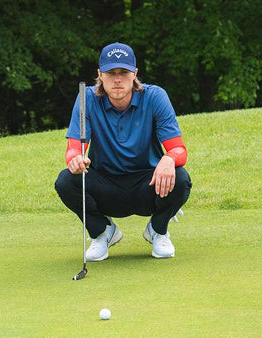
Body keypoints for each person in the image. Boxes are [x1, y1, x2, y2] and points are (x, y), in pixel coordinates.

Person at [54, 42, 192, 260]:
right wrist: (75, 159)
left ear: (135, 74)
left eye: (124, 72)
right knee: (66, 180)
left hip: (148, 185)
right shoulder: (87, 98)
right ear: (100, 74)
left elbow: (179, 150)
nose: (117, 79)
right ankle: (102, 232)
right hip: (106, 186)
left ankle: (158, 229)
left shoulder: (155, 97)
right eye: (111, 73)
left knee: (181, 177)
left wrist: (168, 158)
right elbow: (73, 150)